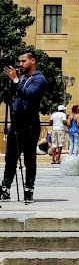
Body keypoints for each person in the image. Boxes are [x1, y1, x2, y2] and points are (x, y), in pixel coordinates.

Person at [1, 50, 47, 203]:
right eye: (19, 62)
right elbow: (13, 95)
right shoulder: (22, 79)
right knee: (10, 157)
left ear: (32, 61)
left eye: (23, 61)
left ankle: (29, 190)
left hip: (29, 124)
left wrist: (16, 81)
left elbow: (27, 93)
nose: (20, 65)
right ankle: (5, 189)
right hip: (17, 123)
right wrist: (13, 82)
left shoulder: (39, 79)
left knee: (29, 158)